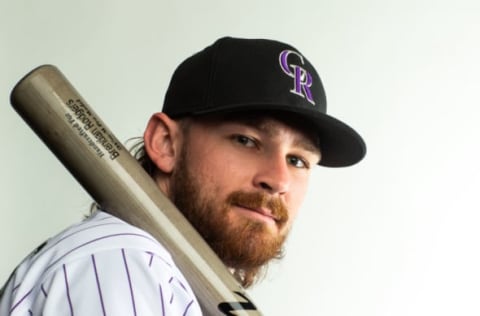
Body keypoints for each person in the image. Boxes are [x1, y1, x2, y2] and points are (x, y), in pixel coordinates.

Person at [0, 36, 366, 315]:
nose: (279, 179)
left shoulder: (163, 279)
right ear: (165, 143)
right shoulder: (123, 262)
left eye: (299, 160)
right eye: (246, 140)